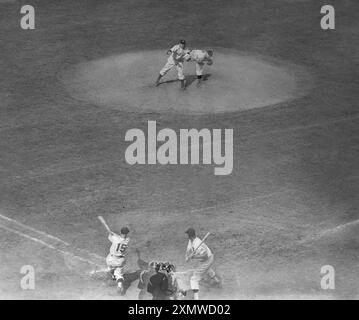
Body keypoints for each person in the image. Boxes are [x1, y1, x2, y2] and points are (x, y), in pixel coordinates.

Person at [185, 228, 221, 300]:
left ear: (190, 235)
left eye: (187, 234)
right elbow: (188, 250)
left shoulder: (197, 243)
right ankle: (217, 281)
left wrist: (193, 256)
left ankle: (196, 297)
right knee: (205, 269)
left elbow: (205, 256)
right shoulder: (191, 240)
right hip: (204, 260)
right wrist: (187, 256)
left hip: (208, 259)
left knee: (194, 278)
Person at [105, 226, 130, 294]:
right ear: (127, 233)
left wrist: (111, 233)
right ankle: (119, 285)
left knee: (110, 267)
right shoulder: (127, 240)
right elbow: (120, 237)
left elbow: (112, 236)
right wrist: (113, 234)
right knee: (119, 275)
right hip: (120, 260)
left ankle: (112, 275)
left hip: (111, 259)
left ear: (120, 232)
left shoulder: (115, 239)